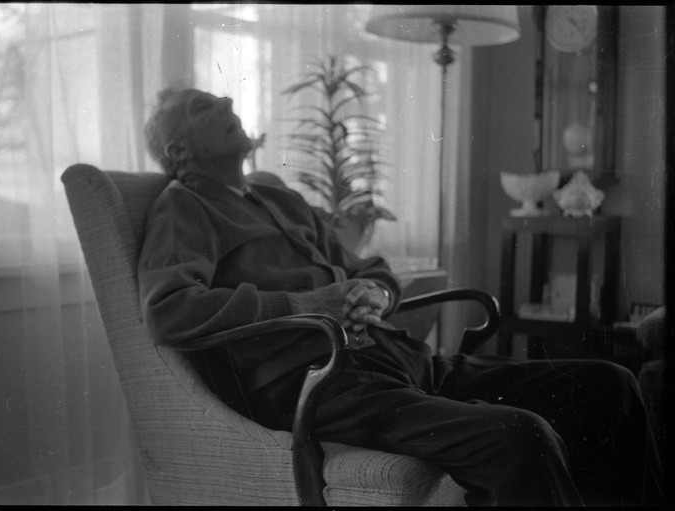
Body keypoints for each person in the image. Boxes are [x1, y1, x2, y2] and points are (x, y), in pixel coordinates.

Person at [137, 87, 664, 507]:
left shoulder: (277, 196)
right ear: (179, 150)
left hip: (398, 363)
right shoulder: (183, 208)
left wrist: (375, 293)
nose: (228, 102)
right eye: (204, 106)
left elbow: (369, 267)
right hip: (322, 386)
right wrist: (303, 305)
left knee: (609, 386)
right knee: (516, 437)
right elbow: (169, 310)